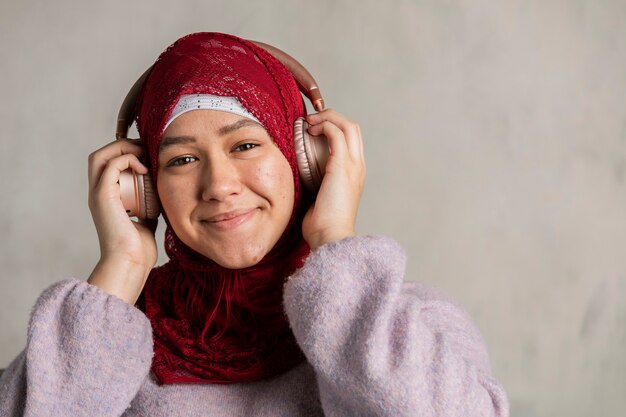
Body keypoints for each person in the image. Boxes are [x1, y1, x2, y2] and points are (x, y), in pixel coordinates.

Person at [0, 32, 509, 416]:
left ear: (305, 159)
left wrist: (334, 239)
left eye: (245, 145)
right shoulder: (99, 344)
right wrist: (123, 267)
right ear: (146, 185)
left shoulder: (409, 326)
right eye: (180, 161)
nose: (219, 184)